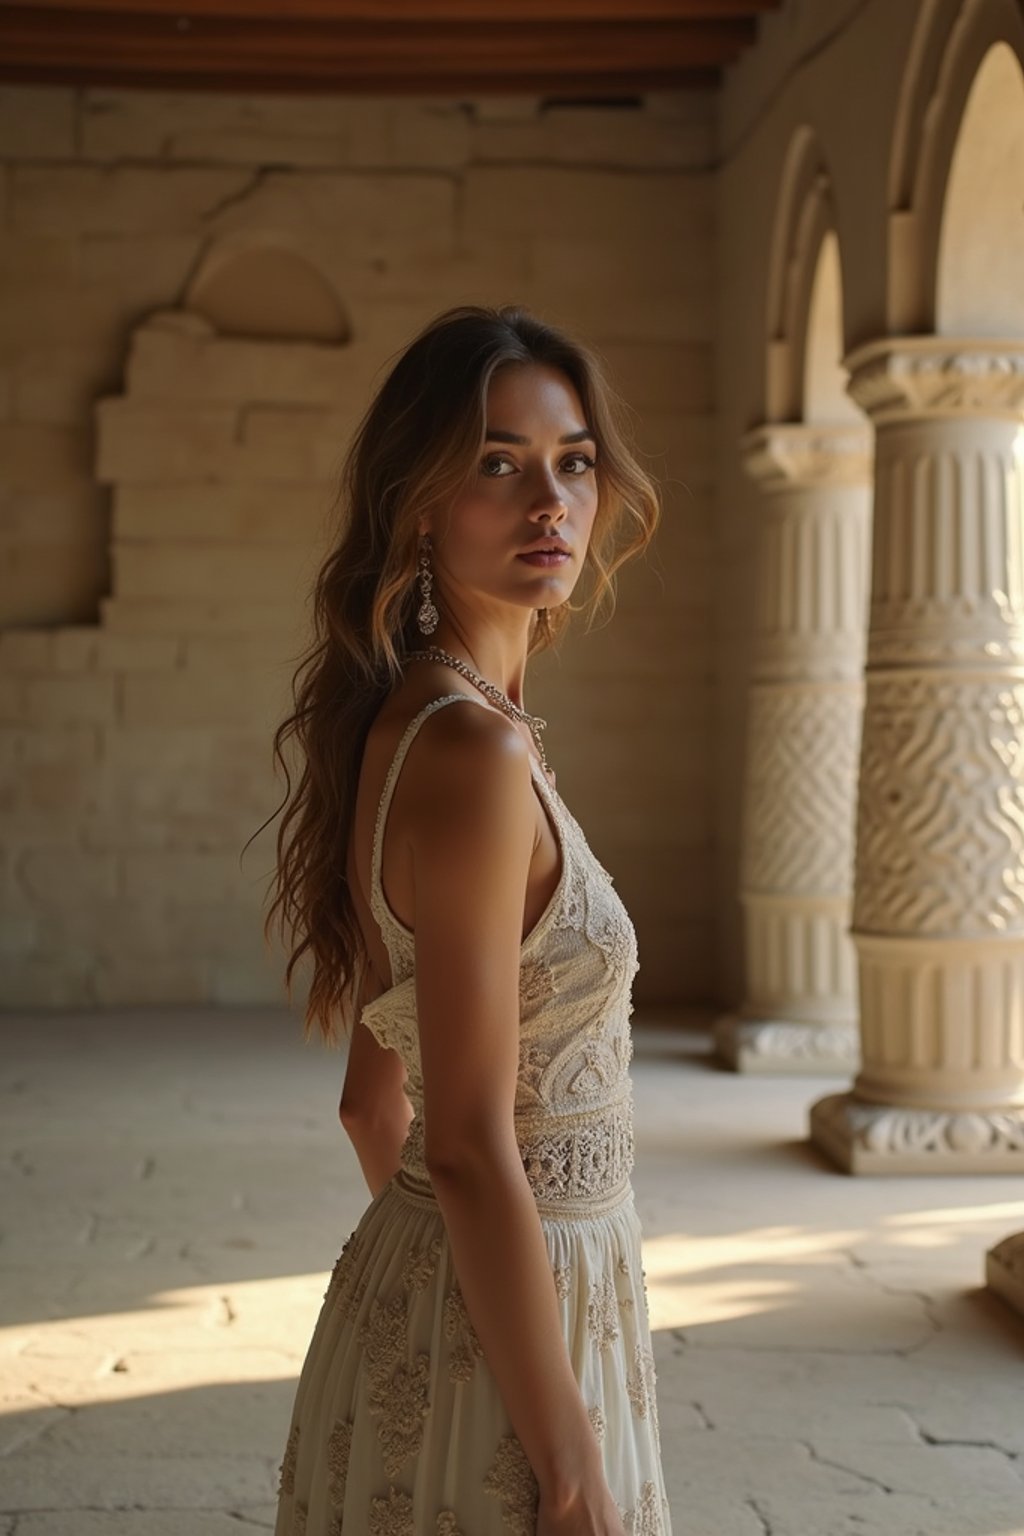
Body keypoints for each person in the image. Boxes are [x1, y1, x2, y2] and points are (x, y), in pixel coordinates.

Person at [262, 303, 671, 1535]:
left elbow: (372, 1102)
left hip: (464, 1303)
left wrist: (437, 1294)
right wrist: (565, 1462)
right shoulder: (477, 751)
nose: (550, 501)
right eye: (499, 463)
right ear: (423, 503)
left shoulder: (423, 725)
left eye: (573, 460)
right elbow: (462, 1142)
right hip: (523, 1320)